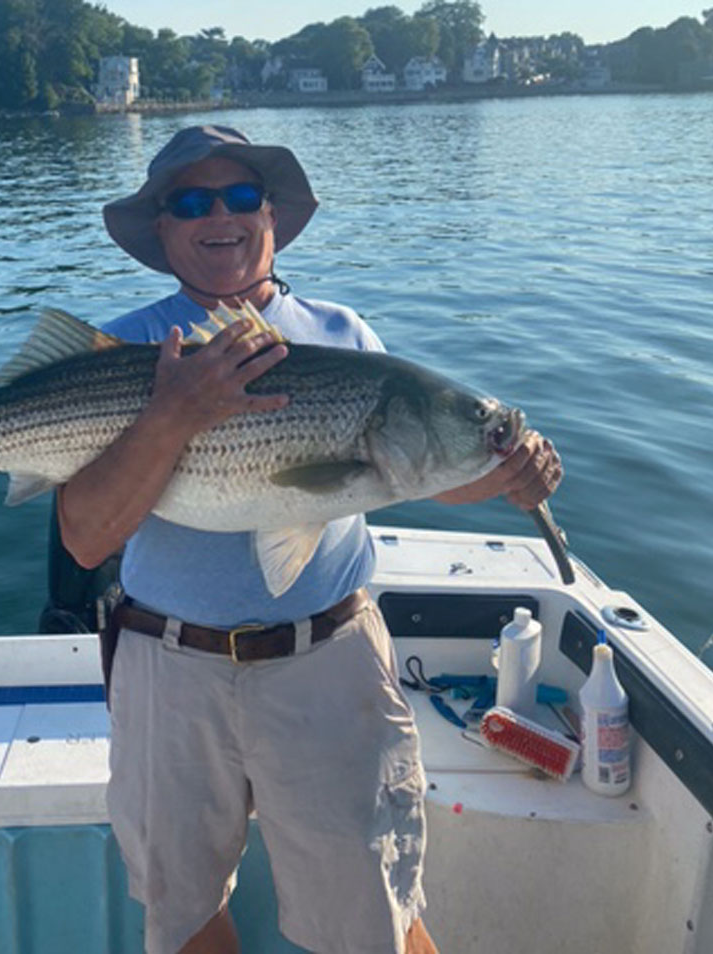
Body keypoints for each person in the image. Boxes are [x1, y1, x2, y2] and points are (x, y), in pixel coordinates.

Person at [56, 125, 562, 954]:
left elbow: (411, 467)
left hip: (329, 664)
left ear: (272, 215)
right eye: (191, 201)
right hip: (166, 669)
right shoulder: (123, 350)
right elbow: (84, 539)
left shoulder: (344, 334)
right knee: (182, 915)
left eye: (240, 195)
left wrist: (508, 469)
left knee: (375, 919)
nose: (218, 215)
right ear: (162, 228)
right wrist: (174, 412)